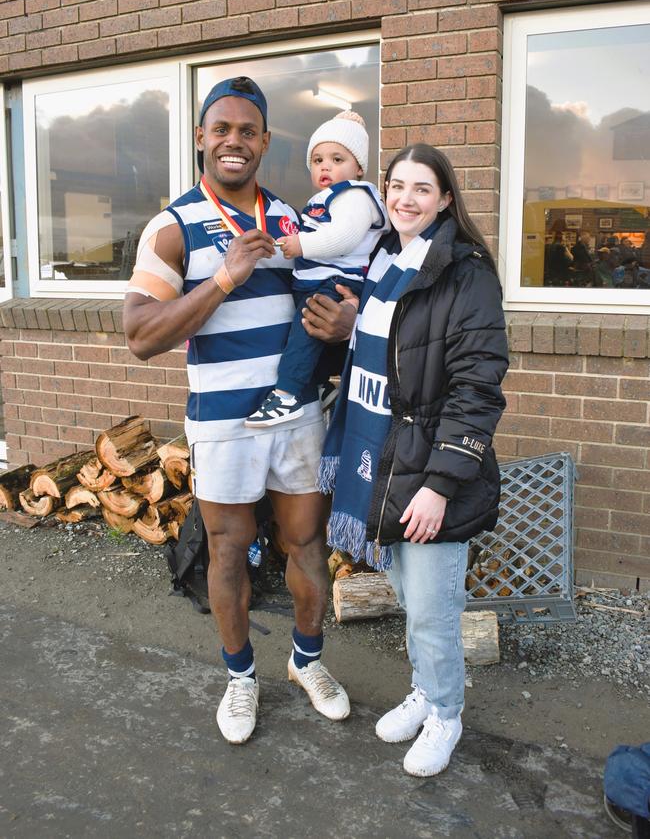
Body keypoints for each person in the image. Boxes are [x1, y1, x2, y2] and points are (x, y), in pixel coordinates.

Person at [122, 76, 352, 745]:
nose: (233, 141)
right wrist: (222, 277)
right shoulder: (172, 227)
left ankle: (307, 662)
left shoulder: (295, 222)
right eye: (221, 128)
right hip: (222, 424)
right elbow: (139, 336)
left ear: (264, 142)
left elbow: (338, 302)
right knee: (227, 551)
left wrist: (345, 324)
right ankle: (240, 676)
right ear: (201, 137)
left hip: (297, 417)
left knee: (306, 544)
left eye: (247, 131)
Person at [319, 143, 508, 777]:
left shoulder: (465, 272)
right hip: (384, 461)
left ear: (446, 198)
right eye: (396, 185)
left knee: (432, 609)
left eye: (421, 189)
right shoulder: (389, 260)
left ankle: (446, 715)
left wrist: (441, 486)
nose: (405, 198)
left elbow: (478, 387)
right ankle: (426, 691)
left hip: (430, 473)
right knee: (405, 593)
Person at [245, 110, 388, 427]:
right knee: (310, 340)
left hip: (334, 283)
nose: (326, 166)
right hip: (319, 281)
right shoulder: (330, 197)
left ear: (359, 167)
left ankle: (285, 396)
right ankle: (321, 387)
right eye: (318, 159)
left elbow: (345, 236)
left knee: (303, 336)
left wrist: (300, 245)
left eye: (338, 159)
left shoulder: (353, 194)